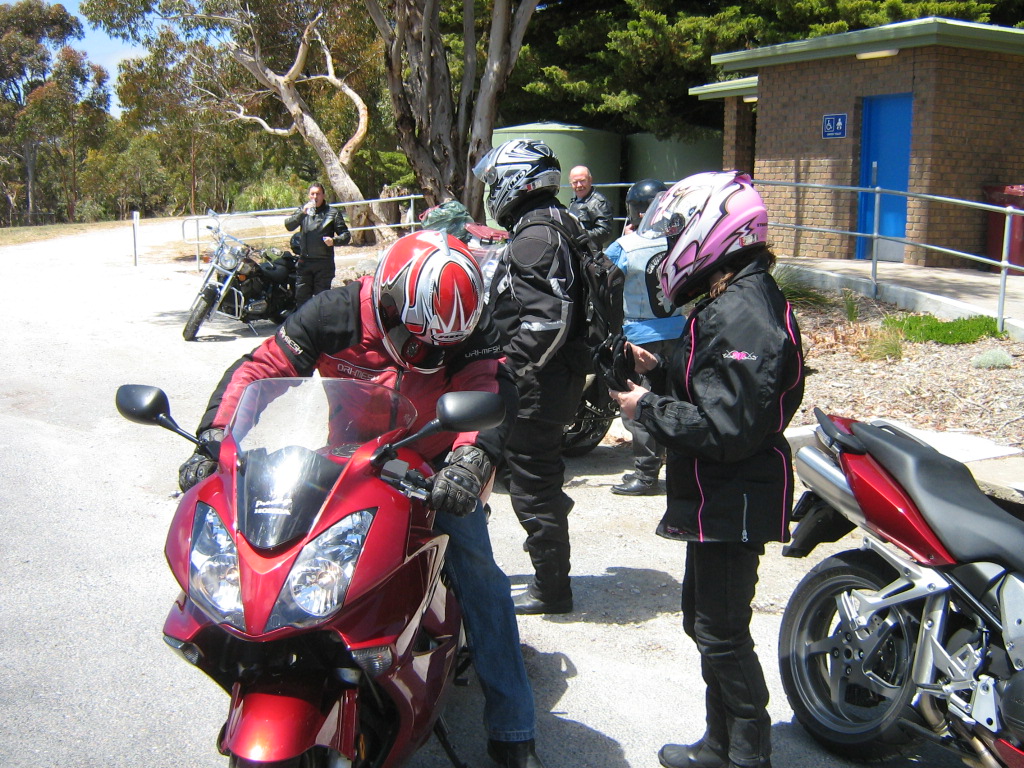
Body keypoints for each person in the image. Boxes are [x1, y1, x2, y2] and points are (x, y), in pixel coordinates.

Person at [177, 230, 547, 768]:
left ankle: (513, 729)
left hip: (433, 466)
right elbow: (262, 367)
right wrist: (214, 437)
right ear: (389, 298)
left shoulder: (468, 322)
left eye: (439, 347)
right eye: (416, 338)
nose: (426, 353)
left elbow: (487, 385)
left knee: (479, 573)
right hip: (345, 459)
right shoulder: (335, 312)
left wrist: (470, 461)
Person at [607, 172, 805, 768]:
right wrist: (660, 366)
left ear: (713, 230)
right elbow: (715, 381)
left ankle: (747, 752)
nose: (670, 245)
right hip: (719, 492)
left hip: (736, 493)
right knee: (704, 624)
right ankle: (720, 743)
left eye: (676, 234)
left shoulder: (745, 310)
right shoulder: (736, 296)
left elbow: (728, 427)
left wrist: (646, 407)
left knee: (722, 632)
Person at [473, 139, 591, 616]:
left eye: (496, 181)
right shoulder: (558, 221)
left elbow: (546, 320)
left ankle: (551, 588)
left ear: (516, 180)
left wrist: (506, 369)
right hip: (553, 377)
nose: (492, 191)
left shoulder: (535, 235)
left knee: (532, 485)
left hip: (536, 385)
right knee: (528, 476)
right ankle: (550, 556)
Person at [604, 178, 684, 496]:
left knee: (640, 402)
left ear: (636, 211)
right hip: (678, 331)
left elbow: (600, 274)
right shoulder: (681, 241)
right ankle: (677, 470)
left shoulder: (626, 246)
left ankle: (646, 474)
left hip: (640, 335)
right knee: (675, 400)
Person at [285, 182, 351, 308]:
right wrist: (302, 213)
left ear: (323, 195)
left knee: (322, 301)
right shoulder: (303, 210)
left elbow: (346, 235)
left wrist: (334, 240)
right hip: (305, 262)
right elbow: (288, 225)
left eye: (318, 194)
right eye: (312, 194)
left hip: (323, 263)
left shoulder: (332, 213)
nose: (315, 197)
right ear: (309, 196)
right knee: (302, 299)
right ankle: (303, 320)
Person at [567, 165, 614, 251]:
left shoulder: (598, 203)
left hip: (590, 254)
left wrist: (581, 235)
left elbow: (605, 231)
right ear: (571, 184)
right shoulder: (574, 202)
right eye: (575, 182)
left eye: (582, 181)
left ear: (590, 180)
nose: (579, 185)